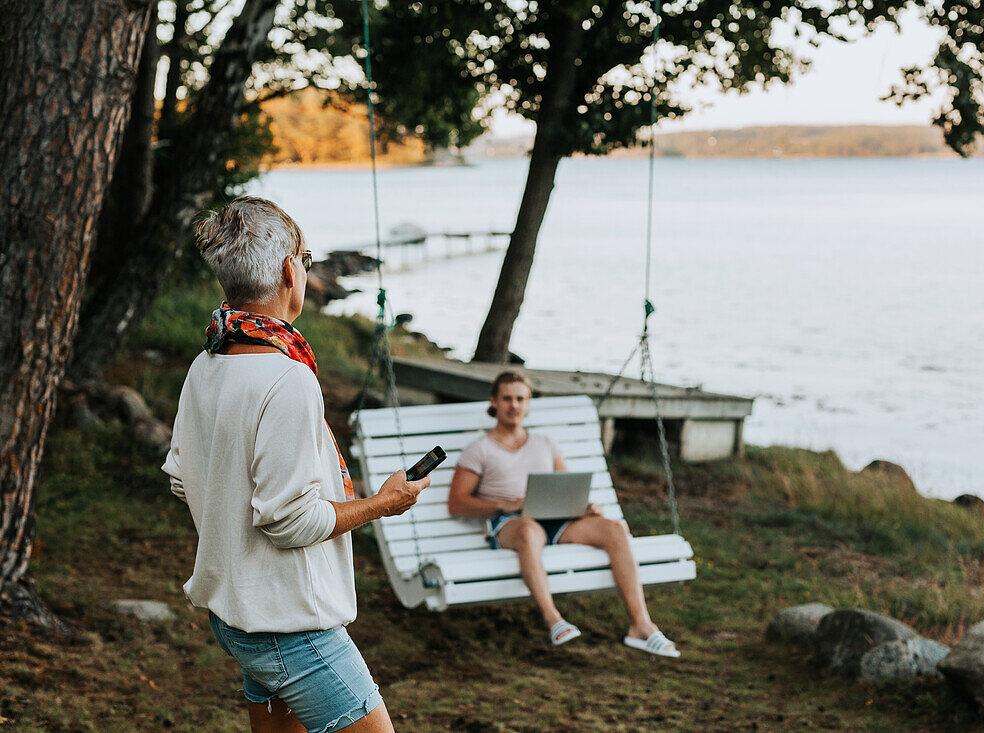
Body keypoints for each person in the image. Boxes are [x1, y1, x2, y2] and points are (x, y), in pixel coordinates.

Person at [161, 196, 430, 733]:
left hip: (238, 613)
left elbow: (180, 478)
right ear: (290, 269)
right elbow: (291, 520)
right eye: (306, 259)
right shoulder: (287, 378)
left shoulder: (208, 360)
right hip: (287, 623)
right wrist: (383, 503)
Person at [447, 371, 680, 657]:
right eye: (507, 398)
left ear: (528, 403)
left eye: (521, 399)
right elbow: (457, 504)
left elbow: (566, 486)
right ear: (494, 402)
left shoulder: (545, 443)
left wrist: (586, 507)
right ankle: (553, 619)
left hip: (555, 519)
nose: (514, 405)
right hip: (510, 522)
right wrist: (503, 505)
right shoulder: (479, 449)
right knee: (528, 530)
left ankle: (641, 626)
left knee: (614, 529)